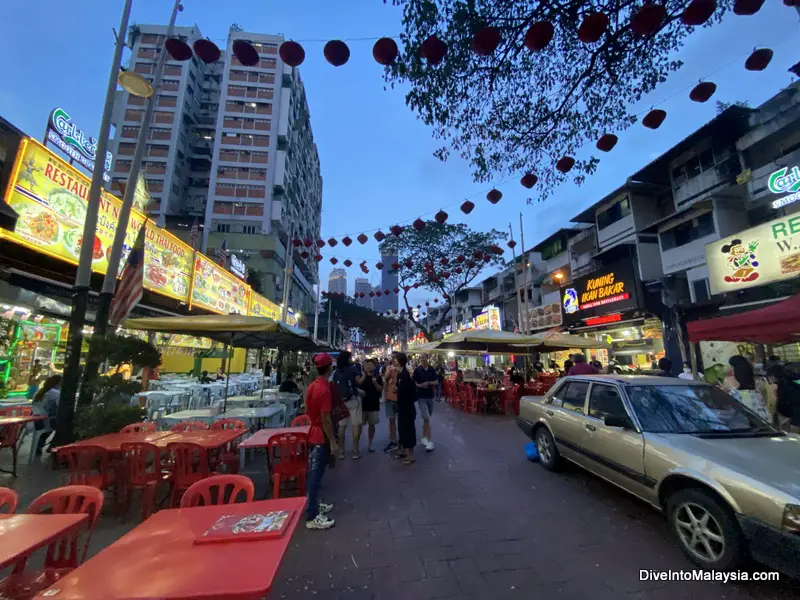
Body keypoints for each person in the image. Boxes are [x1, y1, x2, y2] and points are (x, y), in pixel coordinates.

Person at [303, 353, 339, 530]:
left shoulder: (313, 386)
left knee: (316, 473)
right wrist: (332, 441)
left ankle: (315, 504)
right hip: (320, 435)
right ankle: (312, 515)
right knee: (315, 475)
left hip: (314, 431)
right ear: (330, 367)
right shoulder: (324, 389)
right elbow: (326, 419)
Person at [332, 351, 364, 459]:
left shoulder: (336, 372)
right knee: (356, 425)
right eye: (351, 357)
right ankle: (355, 451)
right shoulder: (353, 369)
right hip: (353, 400)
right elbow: (359, 382)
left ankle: (341, 451)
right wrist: (364, 374)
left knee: (342, 426)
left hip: (341, 402)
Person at [723, 355, 770, 421]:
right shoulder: (759, 382)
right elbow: (765, 400)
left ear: (733, 368)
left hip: (743, 421)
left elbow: (725, 400)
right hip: (764, 419)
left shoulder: (728, 381)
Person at [394, 352, 417, 465]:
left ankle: (410, 455)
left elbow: (404, 390)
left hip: (407, 407)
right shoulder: (401, 373)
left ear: (400, 361)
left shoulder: (404, 375)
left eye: (395, 359)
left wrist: (397, 389)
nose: (394, 361)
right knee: (402, 428)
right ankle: (403, 451)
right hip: (403, 406)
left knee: (408, 430)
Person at [413, 354, 437, 452]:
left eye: (424, 357)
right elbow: (413, 382)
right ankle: (430, 440)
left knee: (427, 419)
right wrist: (420, 385)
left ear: (428, 359)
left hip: (430, 397)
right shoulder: (417, 370)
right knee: (426, 417)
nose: (423, 359)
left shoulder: (431, 369)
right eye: (421, 358)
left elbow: (436, 382)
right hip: (421, 397)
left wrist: (429, 383)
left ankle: (424, 437)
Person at [32, 374, 61, 455]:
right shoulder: (55, 393)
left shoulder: (39, 392)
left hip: (35, 422)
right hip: (46, 422)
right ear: (58, 384)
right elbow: (60, 407)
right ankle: (52, 445)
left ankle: (42, 445)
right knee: (63, 425)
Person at [359, 359, 383, 453]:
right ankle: (357, 444)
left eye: (371, 364)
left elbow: (381, 389)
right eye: (367, 365)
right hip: (362, 405)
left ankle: (370, 444)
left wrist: (375, 383)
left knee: (371, 425)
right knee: (359, 425)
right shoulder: (361, 377)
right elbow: (356, 387)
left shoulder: (377, 377)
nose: (369, 366)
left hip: (373, 404)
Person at [769, 364, 800, 432]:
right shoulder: (791, 381)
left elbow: (774, 403)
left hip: (796, 416)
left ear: (773, 377)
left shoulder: (776, 386)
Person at [383, 357, 399, 453]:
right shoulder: (390, 369)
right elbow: (385, 380)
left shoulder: (405, 370)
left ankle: (400, 441)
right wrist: (385, 395)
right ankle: (393, 441)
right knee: (392, 419)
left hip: (400, 398)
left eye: (396, 359)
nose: (394, 361)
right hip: (390, 397)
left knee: (400, 420)